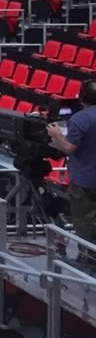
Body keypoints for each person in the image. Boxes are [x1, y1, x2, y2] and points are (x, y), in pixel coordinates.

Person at [50, 80, 96, 243]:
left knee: (84, 221)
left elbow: (68, 148)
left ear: (82, 97)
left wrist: (56, 134)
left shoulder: (80, 119)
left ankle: (87, 260)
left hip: (85, 181)